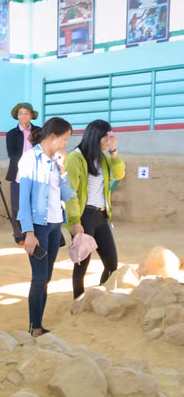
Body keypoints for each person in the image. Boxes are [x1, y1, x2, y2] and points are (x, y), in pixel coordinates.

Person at [16, 117, 80, 336]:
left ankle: (39, 324)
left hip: (54, 226)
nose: (65, 145)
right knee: (39, 277)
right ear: (53, 137)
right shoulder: (29, 159)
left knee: (47, 277)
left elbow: (66, 194)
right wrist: (29, 233)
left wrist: (62, 171)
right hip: (39, 227)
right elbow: (23, 200)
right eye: (64, 139)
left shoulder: (55, 161)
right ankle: (34, 327)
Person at [65, 120, 125, 299]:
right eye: (108, 137)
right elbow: (70, 193)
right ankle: (78, 300)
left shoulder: (103, 157)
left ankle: (100, 296)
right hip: (84, 216)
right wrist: (75, 221)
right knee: (82, 263)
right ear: (96, 136)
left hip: (101, 215)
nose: (110, 140)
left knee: (112, 263)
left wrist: (113, 152)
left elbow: (119, 174)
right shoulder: (75, 158)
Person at [5, 103, 40, 245]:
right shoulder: (11, 134)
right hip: (18, 174)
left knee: (36, 205)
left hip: (37, 174)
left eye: (26, 113)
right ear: (17, 116)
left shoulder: (39, 131)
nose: (23, 116)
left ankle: (35, 235)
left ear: (31, 115)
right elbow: (11, 154)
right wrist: (27, 159)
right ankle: (20, 236)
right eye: (20, 113)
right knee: (17, 207)